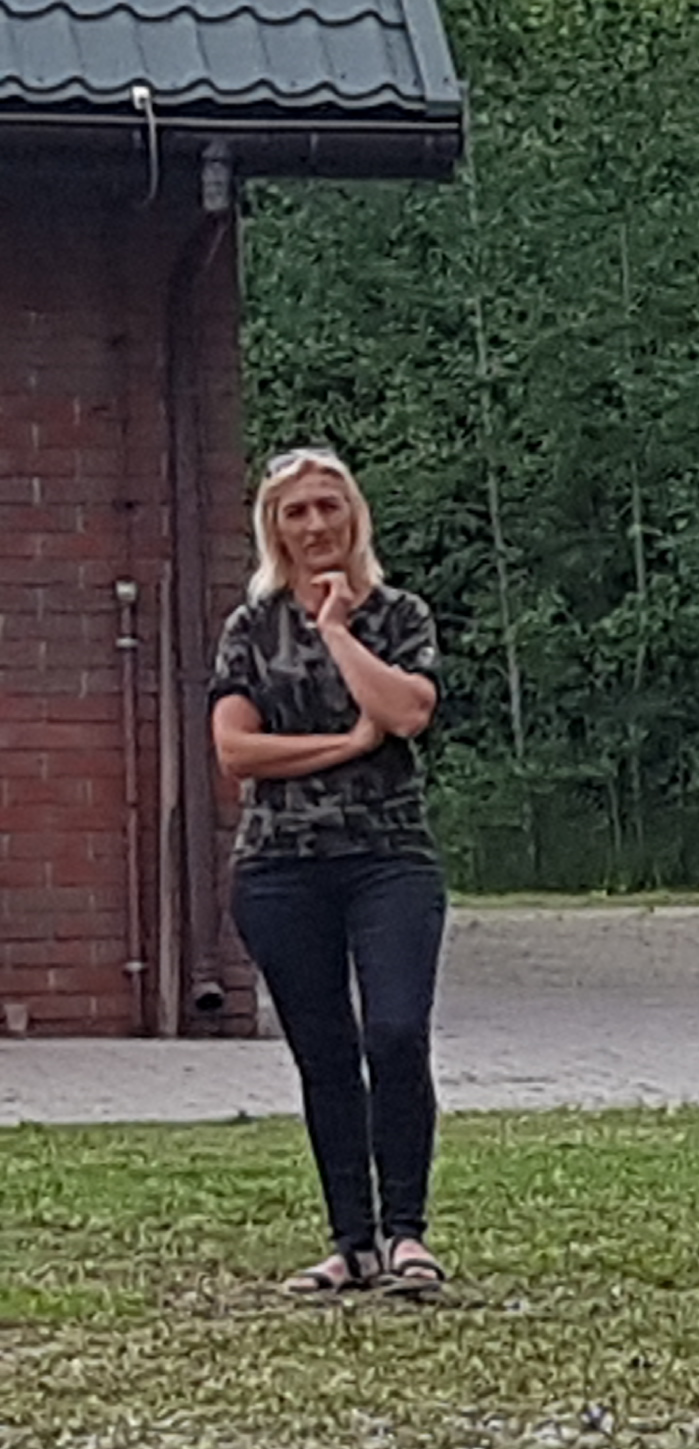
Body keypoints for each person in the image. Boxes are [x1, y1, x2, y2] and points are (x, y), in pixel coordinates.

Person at [209, 449, 448, 1298]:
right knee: (326, 1053)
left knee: (396, 1033)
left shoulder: (399, 615)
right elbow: (236, 750)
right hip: (280, 866)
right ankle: (352, 1242)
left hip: (388, 858)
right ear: (275, 529)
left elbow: (407, 711)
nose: (315, 525)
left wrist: (339, 631)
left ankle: (406, 1234)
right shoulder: (251, 627)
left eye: (328, 507)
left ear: (353, 517)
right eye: (296, 512)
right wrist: (345, 745)